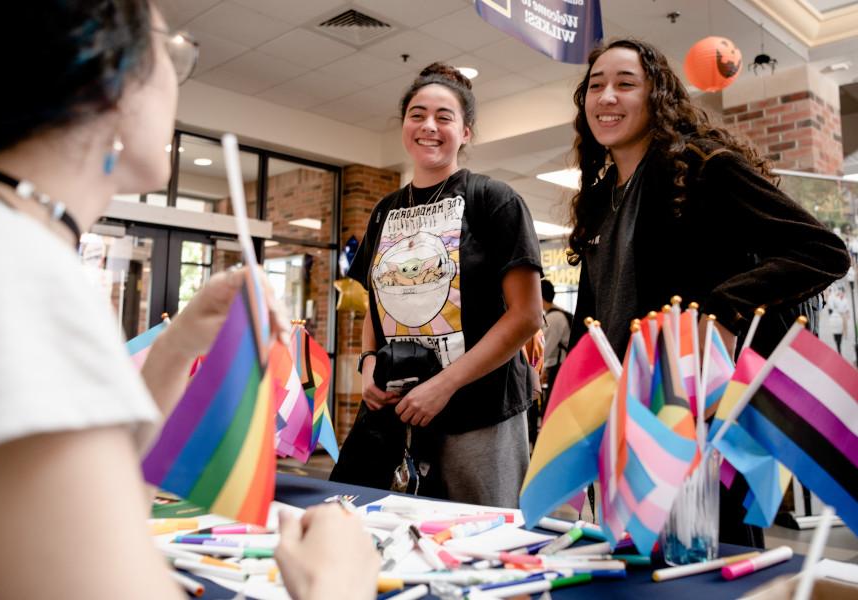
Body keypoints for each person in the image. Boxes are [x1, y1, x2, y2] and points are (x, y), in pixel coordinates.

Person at [0, 3, 378, 599]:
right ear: (108, 78)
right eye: (170, 53)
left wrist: (181, 342)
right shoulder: (1, 269)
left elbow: (95, 500)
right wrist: (338, 585)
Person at [564, 38, 850, 546]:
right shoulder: (598, 201)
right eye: (595, 85)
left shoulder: (698, 166)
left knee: (709, 569)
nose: (606, 96)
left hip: (695, 418)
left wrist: (724, 307)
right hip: (624, 423)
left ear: (658, 97)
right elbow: (596, 323)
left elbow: (821, 249)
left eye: (625, 84)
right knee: (631, 569)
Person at [332, 63, 544, 508]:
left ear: (465, 132)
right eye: (417, 114)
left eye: (444, 117)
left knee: (481, 540)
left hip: (480, 412)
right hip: (400, 406)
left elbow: (525, 316)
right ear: (404, 125)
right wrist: (369, 363)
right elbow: (376, 302)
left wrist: (444, 385)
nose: (429, 126)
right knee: (393, 529)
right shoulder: (384, 210)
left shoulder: (494, 200)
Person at [539, 279, 572, 401]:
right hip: (560, 367)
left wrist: (537, 371)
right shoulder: (560, 313)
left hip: (559, 369)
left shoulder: (554, 318)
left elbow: (544, 350)